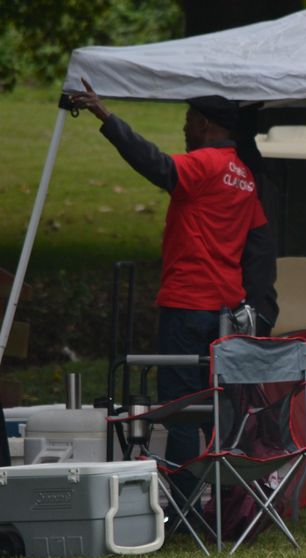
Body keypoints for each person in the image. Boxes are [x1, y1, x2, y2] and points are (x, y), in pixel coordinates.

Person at [70, 79, 273, 502]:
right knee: (216, 408)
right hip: (226, 311)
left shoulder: (207, 164)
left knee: (181, 408)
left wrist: (105, 117)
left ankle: (184, 508)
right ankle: (222, 500)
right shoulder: (244, 176)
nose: (184, 128)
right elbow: (258, 245)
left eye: (187, 121)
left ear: (202, 123)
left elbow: (157, 165)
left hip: (188, 304)